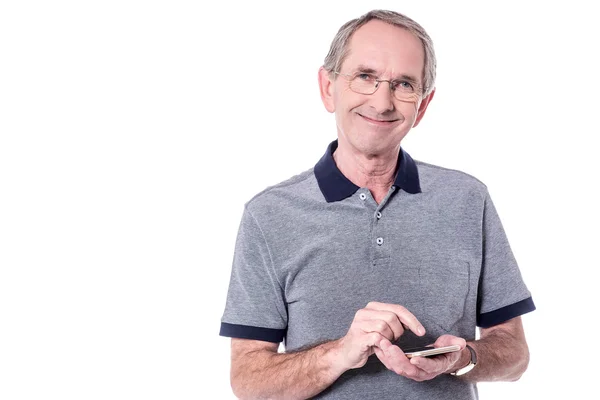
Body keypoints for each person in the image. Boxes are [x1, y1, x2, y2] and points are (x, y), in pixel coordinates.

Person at [219, 9, 535, 400]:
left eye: (404, 84)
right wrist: (340, 353)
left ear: (422, 104)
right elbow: (248, 380)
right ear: (327, 87)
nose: (382, 102)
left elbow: (515, 354)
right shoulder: (268, 215)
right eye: (365, 77)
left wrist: (462, 358)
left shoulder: (468, 200)